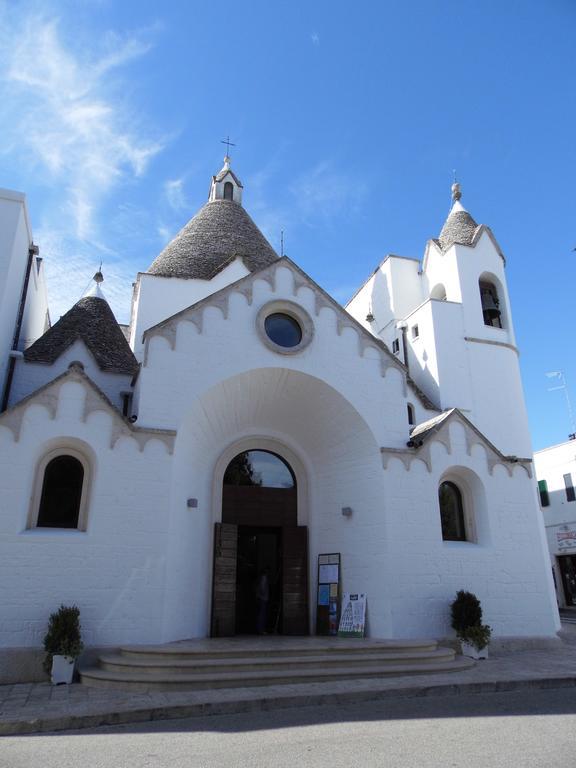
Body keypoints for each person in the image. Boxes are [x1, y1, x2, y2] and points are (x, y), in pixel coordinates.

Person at [255, 567, 270, 634]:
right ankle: (261, 630)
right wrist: (264, 595)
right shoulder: (264, 577)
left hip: (260, 598)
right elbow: (262, 588)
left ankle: (260, 629)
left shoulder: (260, 577)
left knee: (260, 614)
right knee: (262, 615)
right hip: (263, 598)